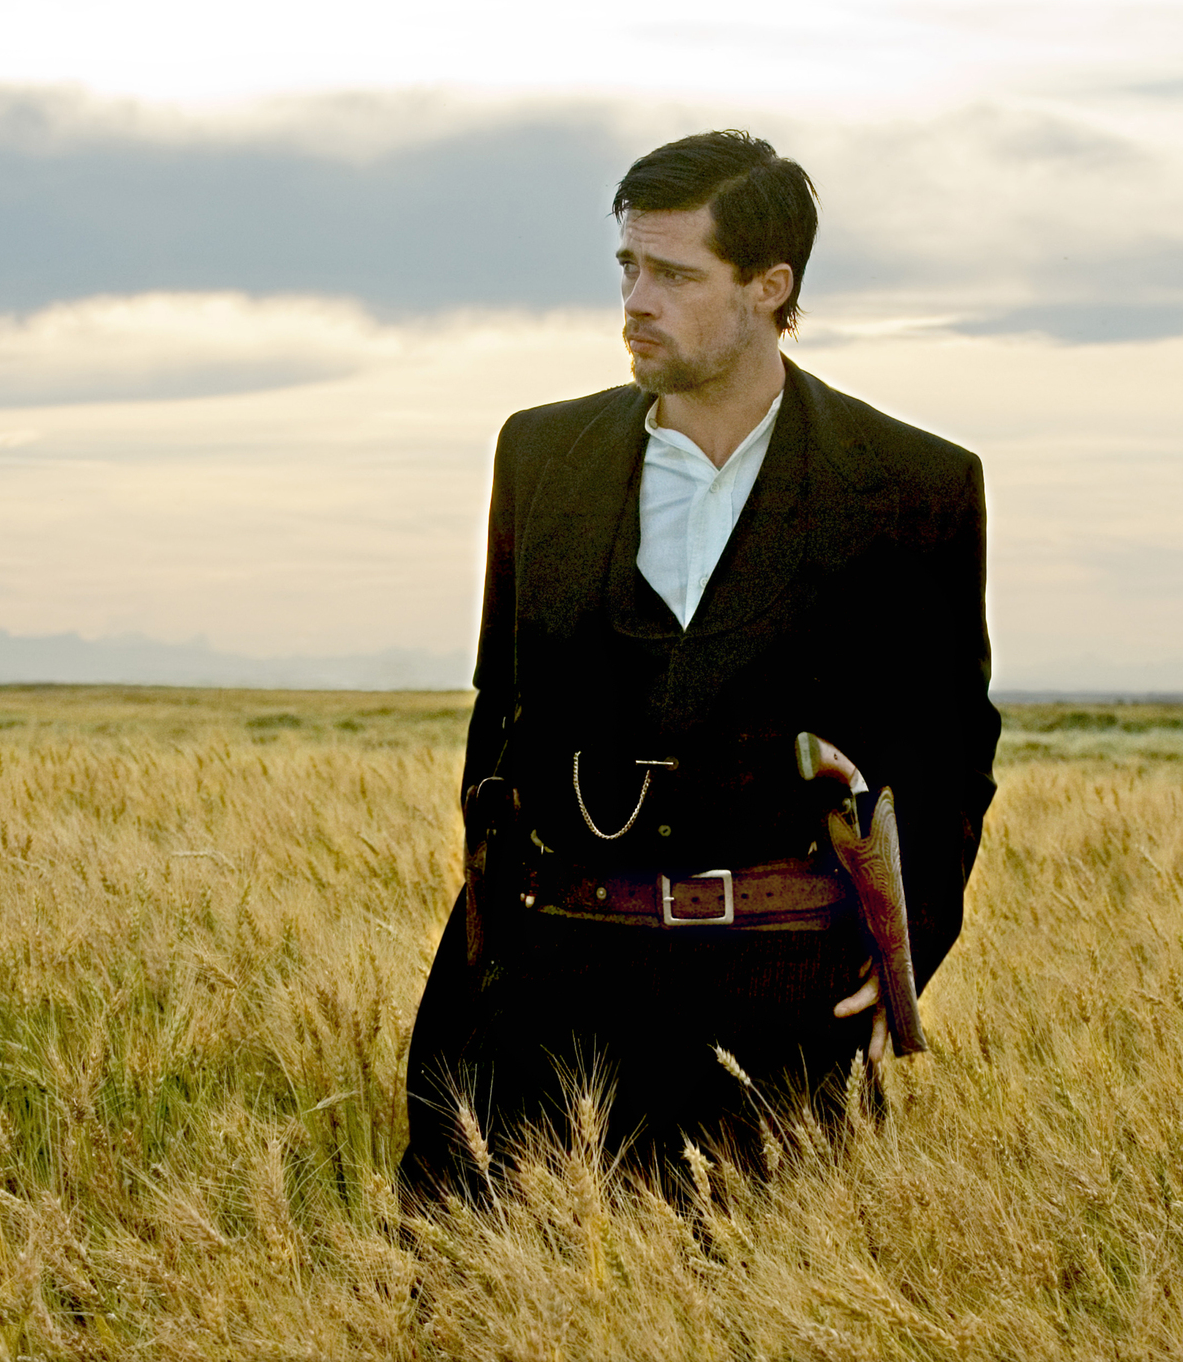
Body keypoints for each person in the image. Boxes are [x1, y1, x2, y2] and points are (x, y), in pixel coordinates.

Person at [398, 130, 999, 1200]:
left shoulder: (912, 485)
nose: (635, 300)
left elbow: (945, 749)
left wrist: (902, 953)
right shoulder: (537, 455)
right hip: (545, 988)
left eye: (673, 275)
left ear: (770, 288)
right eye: (627, 267)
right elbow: (500, 712)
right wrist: (479, 976)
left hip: (775, 1002)